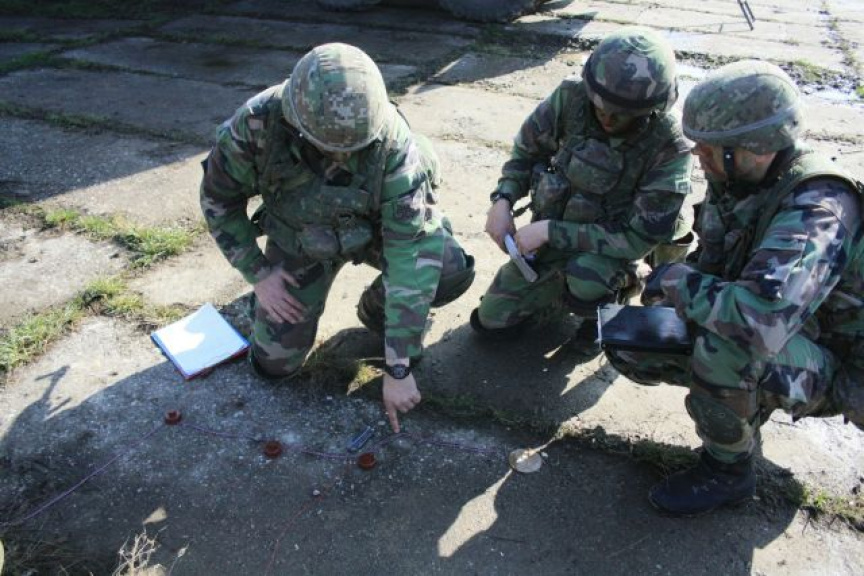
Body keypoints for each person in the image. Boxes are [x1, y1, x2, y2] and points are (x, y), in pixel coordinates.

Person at [605, 60, 864, 516]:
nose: (698, 156)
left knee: (725, 348)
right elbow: (717, 259)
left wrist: (678, 281)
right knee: (633, 342)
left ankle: (727, 474)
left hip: (841, 364)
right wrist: (670, 290)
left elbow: (760, 324)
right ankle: (744, 410)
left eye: (710, 148)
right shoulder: (738, 179)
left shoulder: (818, 211)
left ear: (756, 148)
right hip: (797, 333)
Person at [200, 43, 474, 433]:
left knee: (446, 267)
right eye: (328, 148)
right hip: (300, 238)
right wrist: (259, 273)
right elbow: (218, 199)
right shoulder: (257, 124)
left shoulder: (395, 145)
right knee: (274, 366)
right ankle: (263, 305)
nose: (342, 158)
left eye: (353, 150)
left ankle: (376, 313)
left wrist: (399, 365)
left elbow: (410, 254)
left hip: (374, 232)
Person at [471, 26, 694, 345]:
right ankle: (557, 297)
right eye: (600, 107)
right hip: (551, 245)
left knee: (586, 278)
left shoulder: (669, 146)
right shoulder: (569, 98)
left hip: (609, 255)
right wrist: (502, 200)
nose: (608, 119)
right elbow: (527, 153)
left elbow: (637, 239)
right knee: (490, 322)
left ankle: (613, 303)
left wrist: (549, 231)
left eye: (622, 115)